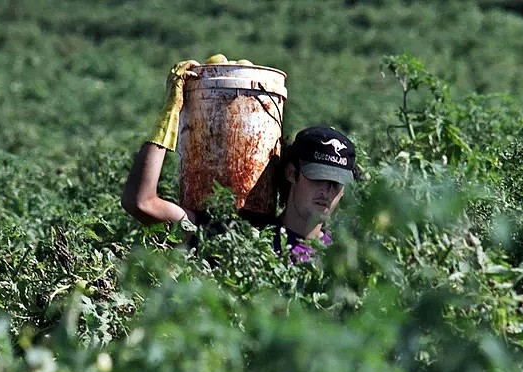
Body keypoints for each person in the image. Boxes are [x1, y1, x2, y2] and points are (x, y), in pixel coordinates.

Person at [121, 60, 357, 261]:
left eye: (336, 183)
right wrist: (171, 113)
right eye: (318, 178)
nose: (327, 190)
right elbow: (142, 202)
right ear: (291, 173)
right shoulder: (237, 236)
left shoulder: (341, 261)